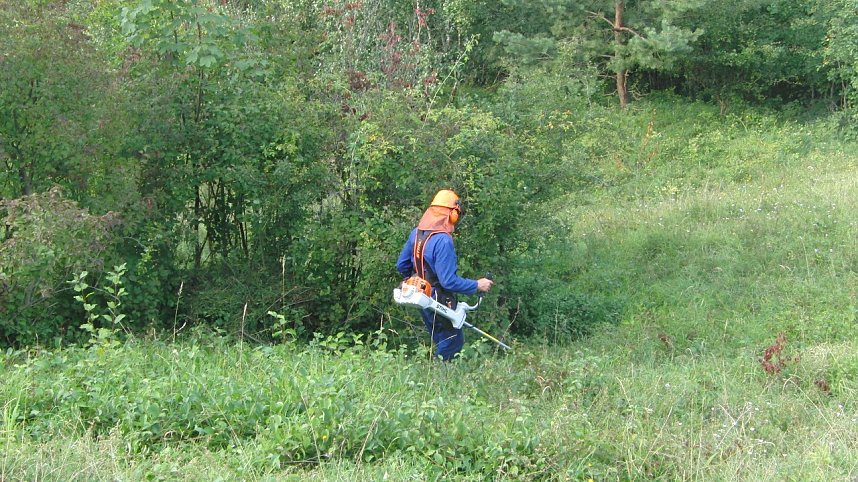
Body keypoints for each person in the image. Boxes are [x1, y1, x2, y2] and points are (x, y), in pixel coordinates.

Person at [396, 189, 493, 360]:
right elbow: (448, 281)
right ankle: (437, 372)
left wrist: (416, 278)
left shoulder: (416, 233)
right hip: (438, 298)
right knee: (452, 341)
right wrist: (477, 285)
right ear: (452, 214)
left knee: (442, 339)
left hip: (421, 294)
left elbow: (401, 265)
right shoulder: (443, 240)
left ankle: (436, 371)